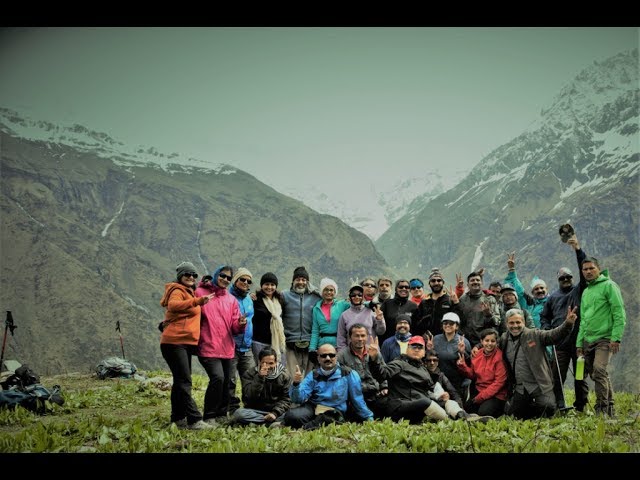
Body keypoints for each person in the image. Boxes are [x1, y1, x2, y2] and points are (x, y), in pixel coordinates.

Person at [160, 261, 215, 430]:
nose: (191, 277)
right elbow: (173, 305)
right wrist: (198, 301)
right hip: (175, 342)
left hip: (182, 342)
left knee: (180, 382)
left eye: (193, 275)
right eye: (187, 275)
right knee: (185, 381)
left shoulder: (188, 291)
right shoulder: (177, 290)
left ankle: (177, 418)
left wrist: (203, 285)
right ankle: (194, 419)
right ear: (180, 276)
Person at [539, 234, 589, 411]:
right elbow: (544, 316)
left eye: (569, 277)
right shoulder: (552, 298)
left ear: (573, 278)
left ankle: (581, 405)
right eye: (563, 278)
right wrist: (547, 329)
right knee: (557, 376)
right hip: (559, 344)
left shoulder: (579, 290)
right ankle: (559, 405)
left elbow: (583, 270)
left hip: (579, 343)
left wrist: (577, 249)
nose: (566, 280)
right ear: (558, 280)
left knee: (580, 375)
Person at [500, 307, 576, 420]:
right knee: (514, 414)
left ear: (524, 322)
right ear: (506, 324)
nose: (515, 325)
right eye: (511, 322)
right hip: (520, 386)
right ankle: (529, 408)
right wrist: (476, 348)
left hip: (539, 384)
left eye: (518, 322)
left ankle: (537, 407)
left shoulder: (534, 334)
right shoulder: (504, 339)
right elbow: (491, 346)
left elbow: (553, 335)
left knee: (548, 407)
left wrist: (567, 324)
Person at [576, 256, 626, 417]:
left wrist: (616, 337)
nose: (589, 272)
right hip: (588, 339)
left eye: (591, 268)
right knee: (596, 373)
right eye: (585, 269)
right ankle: (610, 408)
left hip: (605, 338)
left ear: (599, 268)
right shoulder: (587, 291)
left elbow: (619, 312)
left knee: (599, 370)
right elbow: (583, 320)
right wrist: (579, 343)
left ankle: (602, 409)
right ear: (582, 272)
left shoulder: (609, 286)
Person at [197, 265, 247, 425]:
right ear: (216, 275)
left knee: (226, 381)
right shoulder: (200, 293)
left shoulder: (231, 300)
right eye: (222, 276)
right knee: (217, 378)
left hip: (226, 347)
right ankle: (209, 415)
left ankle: (221, 414)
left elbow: (235, 327)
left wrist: (240, 323)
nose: (225, 279)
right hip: (208, 345)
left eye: (228, 278)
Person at [283, 343, 374, 429]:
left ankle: (305, 428)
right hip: (314, 408)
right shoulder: (313, 375)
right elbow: (298, 399)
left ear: (336, 357)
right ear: (318, 358)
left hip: (334, 411)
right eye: (323, 356)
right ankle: (311, 425)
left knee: (327, 420)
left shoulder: (348, 374)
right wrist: (296, 384)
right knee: (292, 416)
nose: (328, 358)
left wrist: (369, 418)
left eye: (331, 355)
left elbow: (357, 400)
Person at [368, 335, 453, 423]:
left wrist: (439, 396)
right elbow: (382, 374)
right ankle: (449, 421)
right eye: (413, 346)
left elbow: (429, 390)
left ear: (424, 353)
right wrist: (374, 359)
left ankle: (464, 417)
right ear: (407, 349)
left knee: (449, 403)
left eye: (420, 347)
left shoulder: (424, 369)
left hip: (419, 407)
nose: (416, 349)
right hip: (400, 406)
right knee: (425, 402)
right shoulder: (399, 363)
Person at [337, 323, 389, 419]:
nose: (360, 339)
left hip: (375, 393)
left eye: (363, 336)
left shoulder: (374, 351)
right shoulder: (342, 355)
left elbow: (383, 372)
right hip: (355, 397)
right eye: (356, 336)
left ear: (367, 337)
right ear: (350, 337)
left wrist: (384, 387)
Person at [231, 347, 291, 426]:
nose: (268, 366)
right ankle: (269, 423)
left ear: (276, 362)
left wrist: (275, 413)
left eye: (271, 363)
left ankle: (258, 422)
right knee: (238, 414)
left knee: (291, 415)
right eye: (264, 363)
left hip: (276, 411)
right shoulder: (250, 373)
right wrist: (259, 378)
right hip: (255, 410)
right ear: (259, 362)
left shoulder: (284, 375)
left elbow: (286, 399)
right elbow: (248, 398)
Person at [456, 328, 507, 418]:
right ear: (481, 341)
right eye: (487, 340)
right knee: (466, 409)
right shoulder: (478, 354)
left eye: (493, 341)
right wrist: (463, 366)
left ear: (496, 342)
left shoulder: (499, 357)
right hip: (479, 391)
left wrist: (479, 398)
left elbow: (499, 383)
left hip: (496, 395)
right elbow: (473, 375)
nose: (489, 344)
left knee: (483, 413)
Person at [282, 266, 322, 377]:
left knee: (310, 377)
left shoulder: (316, 297)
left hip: (311, 344)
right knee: (292, 376)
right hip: (290, 343)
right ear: (293, 281)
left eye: (304, 280)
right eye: (298, 279)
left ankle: (308, 395)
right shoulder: (284, 296)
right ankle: (292, 394)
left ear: (308, 282)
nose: (301, 282)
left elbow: (329, 298)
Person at [227, 268, 257, 414]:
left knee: (249, 378)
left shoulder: (248, 299)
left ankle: (249, 407)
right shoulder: (228, 297)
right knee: (230, 379)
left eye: (248, 281)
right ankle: (232, 408)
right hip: (231, 345)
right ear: (235, 280)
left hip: (247, 346)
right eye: (242, 279)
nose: (245, 283)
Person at [424, 349, 482, 421]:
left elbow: (454, 392)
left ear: (438, 362)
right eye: (429, 360)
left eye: (434, 360)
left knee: (451, 403)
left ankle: (464, 415)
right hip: (427, 406)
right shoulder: (421, 374)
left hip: (443, 405)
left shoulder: (441, 375)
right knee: (447, 406)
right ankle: (465, 417)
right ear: (424, 362)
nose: (432, 363)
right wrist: (440, 398)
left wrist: (460, 407)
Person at [432, 312, 472, 401]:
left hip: (457, 381)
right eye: (445, 323)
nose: (448, 325)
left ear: (457, 326)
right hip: (439, 379)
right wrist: (429, 349)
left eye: (451, 323)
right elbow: (431, 358)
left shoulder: (464, 341)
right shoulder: (436, 339)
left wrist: (463, 352)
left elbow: (470, 363)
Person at [504, 252, 548, 328]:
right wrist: (512, 270)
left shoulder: (552, 302)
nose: (540, 290)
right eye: (536, 289)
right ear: (532, 292)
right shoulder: (529, 303)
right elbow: (519, 291)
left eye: (542, 288)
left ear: (547, 289)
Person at [458, 271, 501, 347]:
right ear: (468, 284)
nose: (475, 282)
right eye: (472, 280)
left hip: (483, 343)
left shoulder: (489, 300)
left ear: (482, 283)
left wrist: (488, 315)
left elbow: (497, 322)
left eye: (478, 280)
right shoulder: (462, 299)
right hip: (465, 342)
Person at [251, 272, 286, 367]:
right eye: (266, 284)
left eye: (272, 284)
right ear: (262, 285)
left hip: (277, 342)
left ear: (276, 286)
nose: (269, 287)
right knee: (262, 369)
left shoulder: (280, 300)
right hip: (259, 342)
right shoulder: (256, 299)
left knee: (279, 369)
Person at [336, 284, 386, 352]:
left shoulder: (370, 312)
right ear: (350, 297)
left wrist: (380, 319)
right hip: (352, 355)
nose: (356, 297)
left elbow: (381, 332)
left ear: (363, 296)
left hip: (371, 352)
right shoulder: (344, 315)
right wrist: (344, 354)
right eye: (353, 295)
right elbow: (341, 337)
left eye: (359, 295)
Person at [414, 268, 461, 337]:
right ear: (429, 283)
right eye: (433, 281)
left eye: (439, 280)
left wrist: (456, 303)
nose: (436, 283)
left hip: (445, 339)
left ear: (443, 283)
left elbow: (458, 320)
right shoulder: (424, 302)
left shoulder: (449, 300)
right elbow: (417, 322)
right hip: (427, 340)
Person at [310, 278, 350, 354]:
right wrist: (312, 349)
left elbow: (357, 304)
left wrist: (370, 304)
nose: (329, 292)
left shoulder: (341, 304)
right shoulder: (316, 308)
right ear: (322, 291)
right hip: (322, 346)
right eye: (326, 290)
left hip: (338, 345)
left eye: (331, 290)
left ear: (335, 292)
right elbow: (315, 330)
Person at [378, 279, 418, 344]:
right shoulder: (387, 304)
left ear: (409, 290)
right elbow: (381, 325)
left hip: (407, 343)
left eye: (406, 287)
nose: (404, 289)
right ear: (396, 289)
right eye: (401, 287)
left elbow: (415, 327)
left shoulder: (413, 306)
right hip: (387, 343)